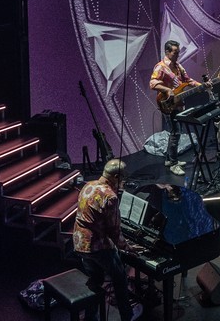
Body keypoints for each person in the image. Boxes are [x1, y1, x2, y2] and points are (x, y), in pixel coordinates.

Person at [72, 158, 144, 321]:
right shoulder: (110, 197)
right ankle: (127, 315)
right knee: (120, 279)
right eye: (123, 178)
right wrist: (128, 247)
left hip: (79, 243)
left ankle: (90, 316)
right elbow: (114, 231)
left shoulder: (88, 185)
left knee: (96, 279)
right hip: (96, 247)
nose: (123, 181)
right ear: (116, 177)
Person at [149, 40, 199, 177]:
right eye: (175, 53)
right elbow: (152, 83)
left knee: (175, 132)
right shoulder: (161, 67)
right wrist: (167, 90)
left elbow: (188, 80)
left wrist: (201, 85)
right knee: (176, 133)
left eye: (178, 53)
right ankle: (173, 163)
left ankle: (168, 159)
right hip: (167, 103)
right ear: (167, 52)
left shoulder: (178, 66)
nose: (177, 55)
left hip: (178, 103)